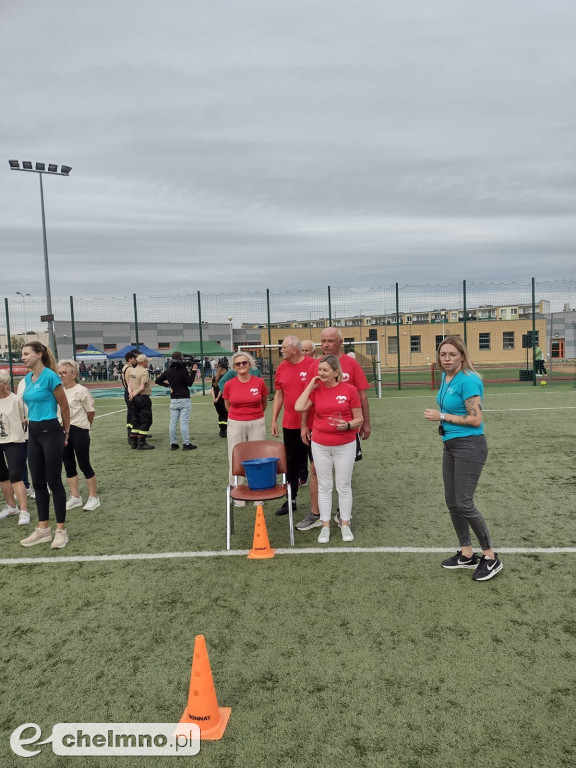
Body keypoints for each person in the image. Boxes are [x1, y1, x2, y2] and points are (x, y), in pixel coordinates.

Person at [424, 335, 503, 582]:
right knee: (452, 501)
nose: (446, 359)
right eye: (443, 354)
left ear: (462, 356)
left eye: (452, 355)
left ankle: (490, 557)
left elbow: (476, 419)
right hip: (450, 445)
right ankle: (467, 553)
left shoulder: (468, 380)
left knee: (464, 502)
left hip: (470, 445)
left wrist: (443, 417)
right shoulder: (447, 377)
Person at [298, 327, 371, 531]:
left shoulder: (351, 364)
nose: (326, 344)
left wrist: (365, 423)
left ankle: (342, 514)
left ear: (340, 342)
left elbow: (362, 396)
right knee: (316, 471)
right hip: (319, 430)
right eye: (323, 341)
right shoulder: (315, 365)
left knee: (343, 474)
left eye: (331, 340)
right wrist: (304, 424)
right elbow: (307, 397)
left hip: (346, 432)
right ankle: (317, 513)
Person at [295, 355, 363, 543]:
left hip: (345, 444)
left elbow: (359, 418)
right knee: (325, 486)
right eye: (319, 370)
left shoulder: (350, 390)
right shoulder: (316, 390)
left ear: (336, 372)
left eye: (325, 370)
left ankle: (345, 524)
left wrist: (348, 425)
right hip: (320, 445)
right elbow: (299, 406)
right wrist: (311, 384)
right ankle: (325, 526)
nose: (321, 373)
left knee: (343, 486)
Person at [19, 341, 70, 549]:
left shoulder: (51, 376)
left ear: (39, 354)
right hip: (34, 434)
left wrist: (66, 433)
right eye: (22, 354)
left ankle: (61, 531)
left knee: (54, 482)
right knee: (38, 483)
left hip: (51, 432)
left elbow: (65, 408)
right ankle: (43, 530)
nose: (22, 357)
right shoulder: (27, 379)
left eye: (26, 354)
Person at [271, 336, 316, 516]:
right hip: (290, 424)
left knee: (316, 465)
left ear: (294, 349)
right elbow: (279, 395)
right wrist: (274, 419)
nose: (281, 350)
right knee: (290, 463)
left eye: (283, 348)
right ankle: (291, 500)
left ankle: (319, 505)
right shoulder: (281, 368)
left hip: (313, 425)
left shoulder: (313, 364)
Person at [223, 351, 268, 505]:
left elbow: (264, 402)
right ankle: (238, 492)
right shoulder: (229, 384)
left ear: (250, 364)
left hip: (257, 421)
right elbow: (228, 405)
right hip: (236, 423)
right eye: (238, 364)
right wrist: (239, 417)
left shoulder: (259, 382)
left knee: (258, 456)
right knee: (236, 456)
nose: (241, 366)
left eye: (244, 363)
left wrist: (254, 415)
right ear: (234, 367)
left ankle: (258, 493)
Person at [57, 359, 100, 511]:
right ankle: (75, 496)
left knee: (84, 464)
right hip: (63, 431)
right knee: (68, 464)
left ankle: (93, 497)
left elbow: (90, 412)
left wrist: (85, 429)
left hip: (79, 430)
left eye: (64, 373)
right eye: (60, 373)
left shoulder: (81, 390)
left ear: (73, 374)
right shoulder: (59, 391)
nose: (61, 375)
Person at [0, 369, 30, 526]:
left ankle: (24, 511)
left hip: (13, 441)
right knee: (2, 475)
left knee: (16, 475)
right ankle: (12, 506)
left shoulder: (16, 400)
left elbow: (25, 420)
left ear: (5, 384)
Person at [155, 351, 197, 450]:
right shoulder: (183, 370)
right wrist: (193, 371)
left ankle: (173, 443)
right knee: (184, 422)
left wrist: (169, 385)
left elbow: (157, 380)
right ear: (180, 358)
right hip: (184, 398)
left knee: (173, 422)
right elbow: (189, 383)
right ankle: (186, 444)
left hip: (174, 399)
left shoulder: (168, 371)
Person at [128, 354, 155, 450]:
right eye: (147, 361)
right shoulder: (144, 372)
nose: (148, 362)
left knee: (135, 419)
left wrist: (131, 394)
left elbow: (129, 384)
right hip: (143, 398)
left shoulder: (132, 370)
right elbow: (142, 387)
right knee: (146, 420)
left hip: (134, 399)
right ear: (143, 362)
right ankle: (142, 442)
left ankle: (133, 442)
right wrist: (134, 394)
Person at [121, 349, 138, 444]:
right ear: (130, 359)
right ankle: (131, 436)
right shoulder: (130, 369)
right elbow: (133, 382)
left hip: (126, 391)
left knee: (130, 413)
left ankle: (130, 433)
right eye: (134, 358)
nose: (135, 360)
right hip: (130, 391)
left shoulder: (125, 367)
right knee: (133, 414)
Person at [211, 363, 229, 438]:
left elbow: (212, 389)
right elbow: (221, 390)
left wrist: (214, 398)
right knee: (226, 414)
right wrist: (218, 398)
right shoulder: (224, 378)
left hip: (216, 401)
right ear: (224, 369)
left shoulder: (214, 377)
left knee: (220, 415)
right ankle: (224, 431)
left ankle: (221, 430)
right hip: (222, 399)